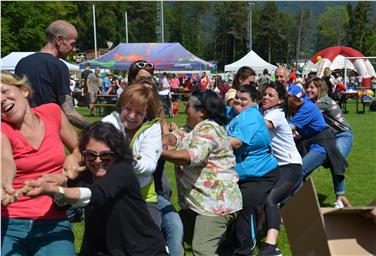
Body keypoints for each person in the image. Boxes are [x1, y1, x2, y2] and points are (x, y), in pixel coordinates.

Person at [25, 122, 168, 255]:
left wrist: (57, 191)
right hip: (103, 249)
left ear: (116, 153)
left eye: (105, 155)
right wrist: (62, 184)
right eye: (91, 155)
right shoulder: (85, 175)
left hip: (143, 250)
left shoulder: (123, 171)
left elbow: (96, 194)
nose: (98, 160)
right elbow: (62, 206)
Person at [1, 71, 81, 255]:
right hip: (8, 225)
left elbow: (79, 147)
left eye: (4, 91)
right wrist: (4, 183)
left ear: (24, 91)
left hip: (53, 222)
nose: (1, 100)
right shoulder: (2, 129)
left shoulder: (52, 112)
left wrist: (73, 157)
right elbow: (4, 160)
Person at [162, 90, 242, 255]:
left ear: (202, 112)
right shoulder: (192, 128)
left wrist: (159, 151)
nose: (185, 109)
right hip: (196, 205)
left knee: (202, 251)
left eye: (189, 106)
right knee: (172, 237)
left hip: (215, 206)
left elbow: (191, 156)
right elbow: (175, 137)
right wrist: (164, 139)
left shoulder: (209, 129)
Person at [127, 61, 184, 256]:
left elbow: (166, 135)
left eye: (150, 79)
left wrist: (169, 136)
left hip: (156, 188)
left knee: (175, 227)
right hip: (129, 192)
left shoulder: (156, 109)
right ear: (131, 82)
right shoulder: (124, 115)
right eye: (142, 79)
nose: (147, 84)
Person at [226, 85, 279, 256]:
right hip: (246, 175)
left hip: (260, 176)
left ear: (254, 101)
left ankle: (245, 250)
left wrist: (210, 141)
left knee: (246, 211)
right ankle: (233, 244)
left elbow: (237, 142)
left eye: (244, 99)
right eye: (238, 98)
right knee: (236, 210)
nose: (239, 101)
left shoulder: (250, 117)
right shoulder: (240, 115)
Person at [15, 19, 89, 128]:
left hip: (24, 130)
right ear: (59, 40)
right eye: (72, 44)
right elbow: (69, 112)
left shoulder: (22, 63)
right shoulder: (59, 66)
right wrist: (94, 128)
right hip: (48, 131)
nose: (73, 49)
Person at [259, 82, 302, 255]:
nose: (266, 97)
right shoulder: (268, 112)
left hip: (291, 166)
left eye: (271, 95)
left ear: (280, 101)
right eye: (265, 94)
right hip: (278, 167)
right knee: (262, 198)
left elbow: (258, 127)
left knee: (271, 200)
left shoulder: (275, 114)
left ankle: (271, 247)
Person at [287, 93, 348, 205]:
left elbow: (288, 128)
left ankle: (287, 203)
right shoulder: (301, 108)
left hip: (322, 144)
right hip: (311, 143)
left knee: (299, 171)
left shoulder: (307, 108)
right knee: (297, 172)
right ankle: (297, 204)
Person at [304, 77, 353, 207]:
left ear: (320, 88)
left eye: (312, 87)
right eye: (307, 87)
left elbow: (306, 115)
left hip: (343, 135)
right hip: (327, 138)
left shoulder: (322, 102)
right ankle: (297, 197)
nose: (308, 90)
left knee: (335, 161)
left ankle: (340, 197)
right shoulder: (314, 102)